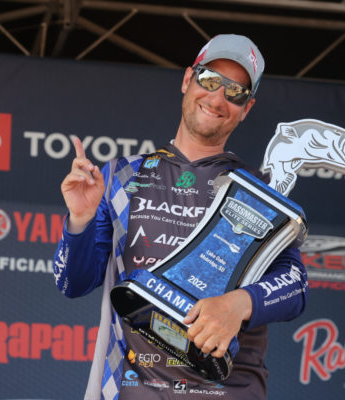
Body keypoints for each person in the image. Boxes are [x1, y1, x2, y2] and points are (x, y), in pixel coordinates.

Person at [53, 34, 307, 399]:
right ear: (188, 79)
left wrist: (239, 304)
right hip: (134, 391)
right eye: (210, 79)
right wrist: (80, 219)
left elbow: (295, 285)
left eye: (235, 92)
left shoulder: (256, 190)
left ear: (246, 107)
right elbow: (71, 283)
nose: (217, 98)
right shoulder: (122, 177)